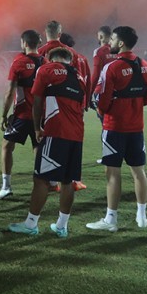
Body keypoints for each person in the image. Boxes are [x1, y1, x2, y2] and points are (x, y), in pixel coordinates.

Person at [8, 47, 85, 238]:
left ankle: (31, 224)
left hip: (55, 132)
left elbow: (36, 102)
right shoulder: (79, 77)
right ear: (69, 61)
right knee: (68, 181)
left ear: (50, 59)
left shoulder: (46, 69)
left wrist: (37, 128)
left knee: (41, 179)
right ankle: (61, 226)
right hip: (76, 134)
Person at [86, 26, 147, 232]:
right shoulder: (146, 66)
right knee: (138, 171)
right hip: (136, 126)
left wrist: (101, 106)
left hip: (114, 127)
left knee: (112, 172)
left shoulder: (112, 67)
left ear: (121, 43)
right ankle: (142, 216)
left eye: (113, 39)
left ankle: (111, 219)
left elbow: (103, 103)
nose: (110, 43)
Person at [0, 30, 43, 200]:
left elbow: (10, 92)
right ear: (38, 43)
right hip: (41, 116)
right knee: (37, 147)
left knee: (7, 145)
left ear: (24, 43)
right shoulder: (46, 63)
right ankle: (41, 185)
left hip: (22, 115)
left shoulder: (19, 63)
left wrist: (4, 115)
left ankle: (6, 186)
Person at [41, 22, 87, 191]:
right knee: (71, 138)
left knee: (48, 142)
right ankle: (72, 179)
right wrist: (82, 104)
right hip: (71, 106)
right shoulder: (72, 53)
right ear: (60, 33)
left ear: (45, 33)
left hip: (48, 107)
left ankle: (52, 181)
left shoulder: (40, 51)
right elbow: (80, 79)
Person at [90, 26, 115, 94]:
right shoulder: (118, 51)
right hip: (118, 90)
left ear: (100, 36)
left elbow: (96, 75)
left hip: (102, 89)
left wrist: (90, 92)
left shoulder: (99, 51)